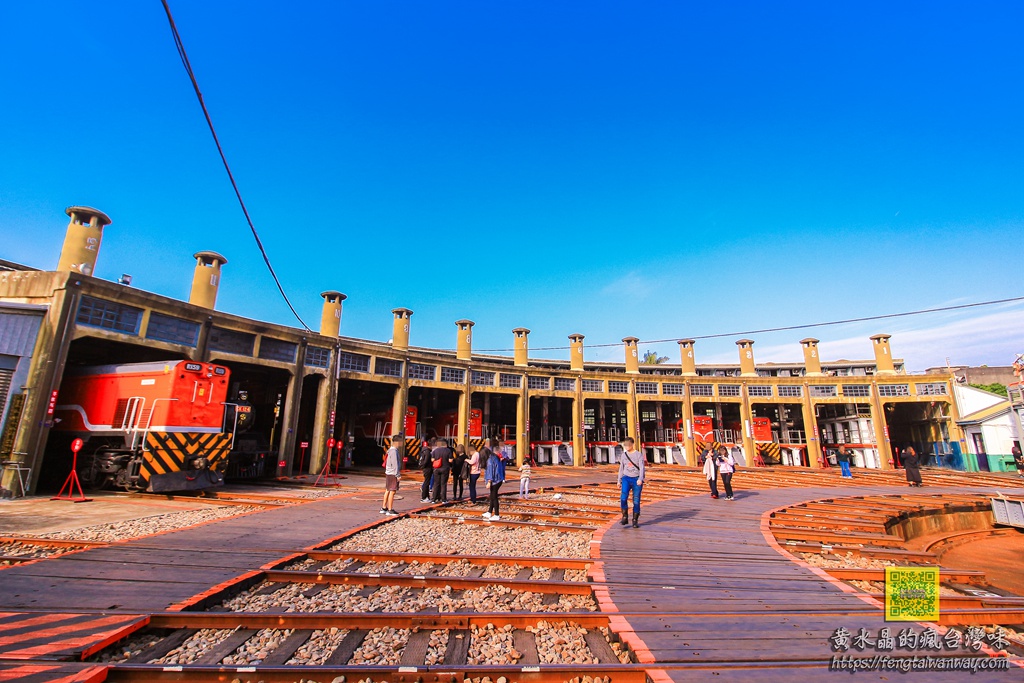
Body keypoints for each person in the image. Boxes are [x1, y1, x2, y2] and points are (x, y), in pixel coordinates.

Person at [617, 437, 645, 528]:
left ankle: (635, 520)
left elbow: (642, 468)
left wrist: (640, 478)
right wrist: (619, 480)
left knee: (636, 500)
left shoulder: (638, 455)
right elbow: (621, 468)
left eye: (628, 445)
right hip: (626, 478)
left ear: (632, 444)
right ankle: (625, 516)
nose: (627, 447)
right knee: (623, 498)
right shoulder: (623, 455)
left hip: (636, 479)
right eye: (625, 445)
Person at [483, 437, 506, 520]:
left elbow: (490, 471)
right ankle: (489, 512)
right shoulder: (496, 458)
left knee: (494, 497)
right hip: (498, 479)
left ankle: (496, 514)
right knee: (493, 496)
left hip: (495, 480)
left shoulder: (490, 459)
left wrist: (489, 481)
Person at [380, 435, 401, 516]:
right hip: (392, 473)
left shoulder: (390, 450)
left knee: (388, 490)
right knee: (392, 491)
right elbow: (395, 464)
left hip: (389, 472)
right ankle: (390, 509)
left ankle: (384, 508)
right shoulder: (394, 451)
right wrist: (398, 474)